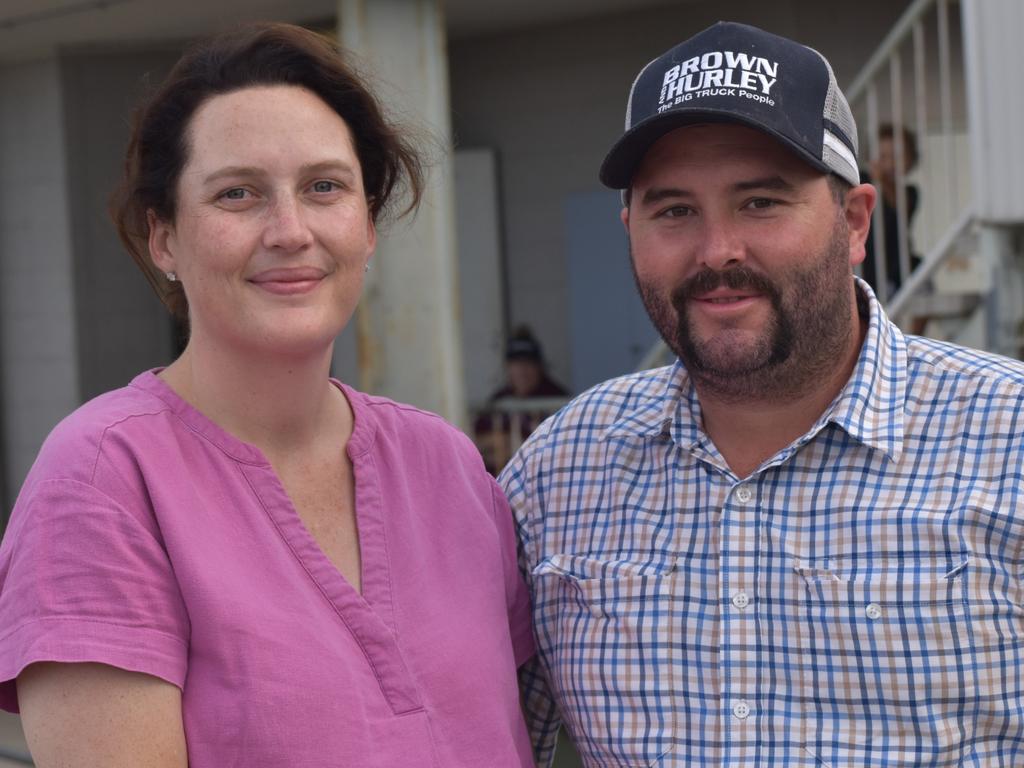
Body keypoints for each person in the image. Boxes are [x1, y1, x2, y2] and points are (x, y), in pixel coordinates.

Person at [0, 23, 535, 767]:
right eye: (237, 193)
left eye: (324, 187)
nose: (290, 231)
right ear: (164, 240)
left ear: (368, 225)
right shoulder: (104, 479)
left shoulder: (443, 464)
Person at [502, 21, 1024, 768]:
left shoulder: (1009, 439)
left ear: (853, 222)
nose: (718, 252)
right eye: (675, 210)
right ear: (631, 229)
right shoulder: (558, 471)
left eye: (760, 203)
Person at [474, 327, 569, 474]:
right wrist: (501, 442)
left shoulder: (556, 397)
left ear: (539, 367)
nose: (522, 370)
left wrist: (515, 445)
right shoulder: (499, 400)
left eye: (528, 363)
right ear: (508, 367)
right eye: (516, 363)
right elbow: (476, 440)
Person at [861, 122, 921, 296]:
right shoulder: (865, 181)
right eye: (883, 156)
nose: (890, 163)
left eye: (897, 156)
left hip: (899, 262)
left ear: (910, 161)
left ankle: (909, 324)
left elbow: (898, 204)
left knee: (923, 282)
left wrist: (881, 181)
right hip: (870, 262)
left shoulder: (910, 193)